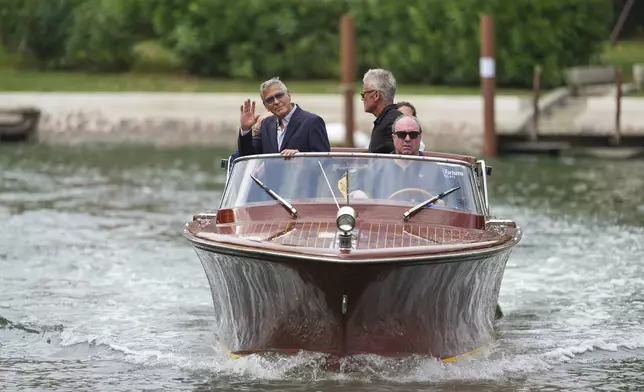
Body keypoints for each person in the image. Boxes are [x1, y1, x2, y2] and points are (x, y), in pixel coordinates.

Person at [238, 77, 330, 158]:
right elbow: (248, 156)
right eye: (270, 100)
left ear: (289, 95)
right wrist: (245, 129)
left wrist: (301, 158)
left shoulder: (312, 121)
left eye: (279, 95)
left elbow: (324, 161)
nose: (276, 102)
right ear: (266, 106)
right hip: (270, 178)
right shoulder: (266, 124)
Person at [361, 68, 402, 154]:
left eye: (363, 94)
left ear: (376, 95)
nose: (362, 99)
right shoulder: (390, 120)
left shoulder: (391, 124)